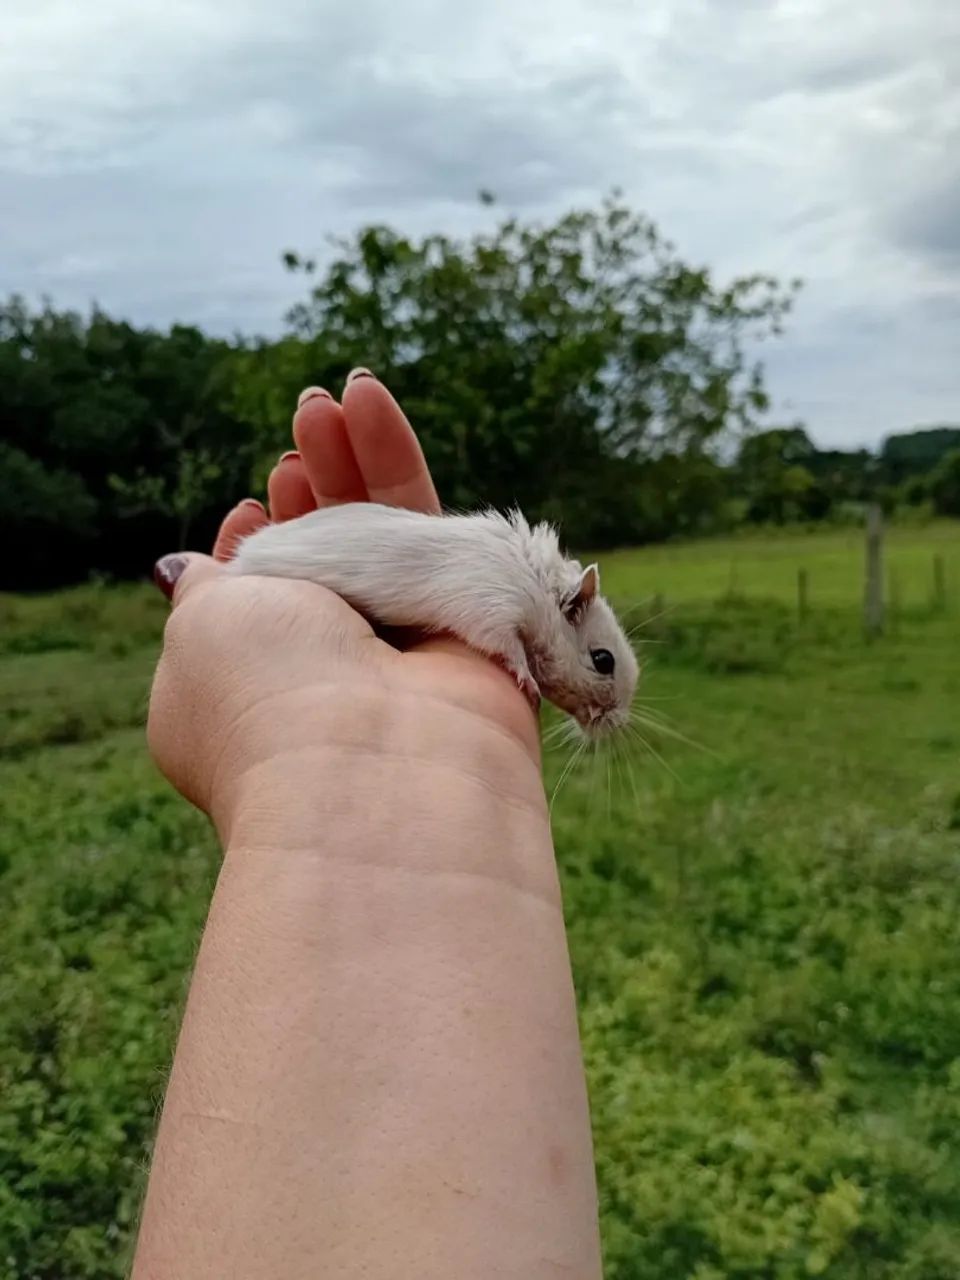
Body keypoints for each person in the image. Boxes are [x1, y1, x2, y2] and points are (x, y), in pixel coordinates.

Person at [136, 369, 603, 1279]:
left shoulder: (512, 588)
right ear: (573, 602)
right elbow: (476, 609)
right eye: (598, 669)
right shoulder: (505, 589)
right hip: (292, 566)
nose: (591, 697)